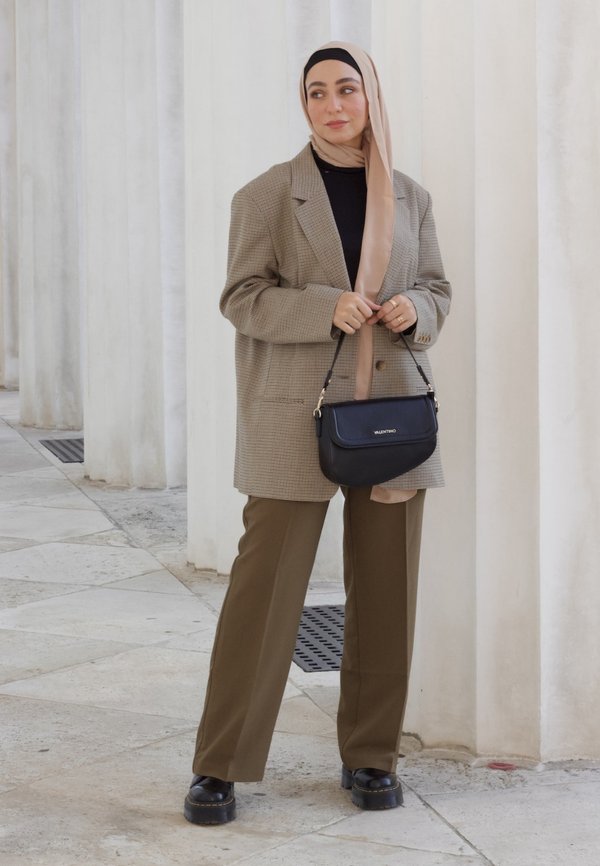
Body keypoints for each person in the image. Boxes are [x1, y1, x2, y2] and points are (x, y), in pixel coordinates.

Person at [184, 41, 451, 825]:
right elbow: (241, 297)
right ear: (303, 105)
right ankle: (220, 765)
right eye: (316, 93)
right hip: (291, 420)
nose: (333, 105)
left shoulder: (410, 197)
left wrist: (416, 310)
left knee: (388, 594)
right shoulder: (268, 194)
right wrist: (322, 306)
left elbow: (437, 287)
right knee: (263, 594)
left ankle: (371, 755)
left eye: (346, 89)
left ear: (371, 97)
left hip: (393, 414)